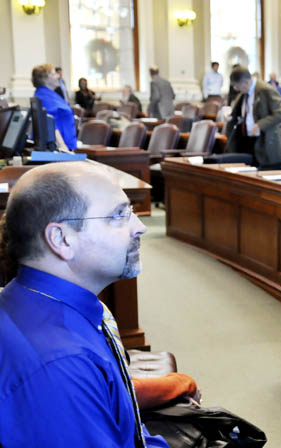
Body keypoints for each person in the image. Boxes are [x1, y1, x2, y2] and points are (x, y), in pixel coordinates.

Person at [0, 162, 168, 447]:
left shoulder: (33, 300)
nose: (139, 227)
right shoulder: (60, 366)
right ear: (61, 239)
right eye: (119, 215)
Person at [225, 67, 281, 170]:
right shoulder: (243, 94)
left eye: (237, 86)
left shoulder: (265, 90)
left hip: (267, 145)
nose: (237, 89)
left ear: (245, 82)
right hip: (249, 143)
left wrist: (260, 124)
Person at [31, 63, 78, 150]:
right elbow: (49, 125)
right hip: (61, 148)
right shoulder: (44, 96)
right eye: (53, 74)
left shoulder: (49, 94)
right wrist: (63, 148)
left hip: (66, 145)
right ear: (45, 79)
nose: (58, 76)